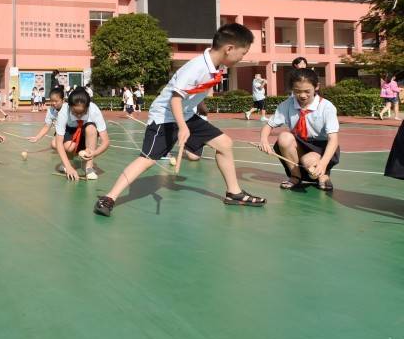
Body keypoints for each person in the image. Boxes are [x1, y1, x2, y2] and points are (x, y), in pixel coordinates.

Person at [95, 23, 267, 217]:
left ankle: (234, 193)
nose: (242, 57)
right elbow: (175, 99)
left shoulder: (215, 65)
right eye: (243, 53)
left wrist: (192, 115)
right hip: (165, 117)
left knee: (224, 144)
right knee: (147, 160)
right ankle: (109, 197)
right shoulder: (196, 67)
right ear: (229, 49)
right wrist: (183, 127)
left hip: (185, 114)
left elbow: (190, 96)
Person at [258, 68, 339, 191]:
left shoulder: (326, 107)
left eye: (307, 91)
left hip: (321, 146)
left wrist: (323, 163)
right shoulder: (287, 104)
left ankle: (323, 175)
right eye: (297, 91)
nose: (302, 95)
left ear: (316, 87)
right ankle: (295, 176)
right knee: (284, 137)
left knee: (309, 161)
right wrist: (263, 140)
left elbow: (333, 139)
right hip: (300, 144)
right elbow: (268, 125)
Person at [52, 87, 110, 181]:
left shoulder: (94, 110)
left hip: (87, 131)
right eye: (75, 112)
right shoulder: (63, 112)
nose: (79, 116)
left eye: (82, 113)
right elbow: (59, 143)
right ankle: (69, 162)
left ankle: (88, 167)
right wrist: (68, 167)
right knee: (67, 146)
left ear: (88, 107)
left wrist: (94, 153)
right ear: (69, 106)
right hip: (71, 130)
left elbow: (106, 142)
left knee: (91, 128)